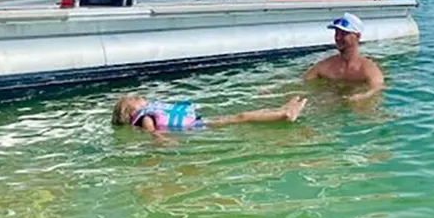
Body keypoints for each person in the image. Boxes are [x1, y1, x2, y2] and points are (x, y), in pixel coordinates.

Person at [111, 94, 308, 141]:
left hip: (198, 123)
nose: (141, 99)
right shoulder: (146, 118)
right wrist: (163, 141)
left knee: (242, 117)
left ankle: (281, 111)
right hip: (199, 127)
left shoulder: (148, 113)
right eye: (135, 100)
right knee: (242, 117)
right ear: (130, 112)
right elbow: (153, 133)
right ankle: (284, 114)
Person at [303, 12, 385, 103]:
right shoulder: (325, 66)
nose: (338, 38)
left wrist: (362, 96)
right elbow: (303, 83)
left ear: (358, 36)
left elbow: (377, 90)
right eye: (336, 33)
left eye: (343, 34)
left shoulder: (368, 70)